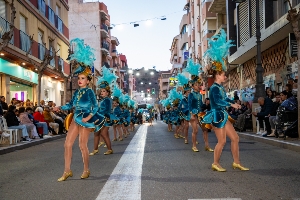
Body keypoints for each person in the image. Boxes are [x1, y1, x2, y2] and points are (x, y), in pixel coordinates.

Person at [57, 38, 105, 182]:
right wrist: (59, 107)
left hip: (85, 120)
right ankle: (67, 171)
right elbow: (70, 105)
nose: (80, 80)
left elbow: (95, 107)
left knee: (82, 145)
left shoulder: (90, 92)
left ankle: (86, 170)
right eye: (79, 78)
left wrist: (89, 117)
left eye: (83, 78)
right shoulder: (77, 92)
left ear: (88, 80)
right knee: (67, 144)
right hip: (75, 119)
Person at [202, 29, 249, 172]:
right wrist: (231, 103)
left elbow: (225, 98)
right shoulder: (214, 88)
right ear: (217, 76)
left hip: (223, 116)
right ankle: (215, 163)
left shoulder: (219, 87)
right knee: (222, 141)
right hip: (217, 115)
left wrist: (233, 101)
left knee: (235, 138)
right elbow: (217, 102)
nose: (225, 77)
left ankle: (236, 162)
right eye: (223, 75)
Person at [89, 66, 118, 156]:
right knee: (96, 133)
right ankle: (95, 149)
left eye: (104, 91)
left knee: (104, 134)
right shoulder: (101, 100)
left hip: (105, 118)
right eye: (101, 91)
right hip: (99, 118)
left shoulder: (108, 100)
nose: (102, 92)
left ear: (108, 92)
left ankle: (110, 149)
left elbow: (106, 110)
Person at [186, 59, 213, 153]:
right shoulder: (191, 95)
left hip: (200, 114)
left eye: (199, 85)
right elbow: (189, 105)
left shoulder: (199, 94)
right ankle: (194, 146)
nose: (199, 86)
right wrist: (192, 113)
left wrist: (205, 105)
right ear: (193, 86)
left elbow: (200, 104)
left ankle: (207, 146)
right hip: (193, 114)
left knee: (205, 129)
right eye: (197, 85)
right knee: (195, 130)